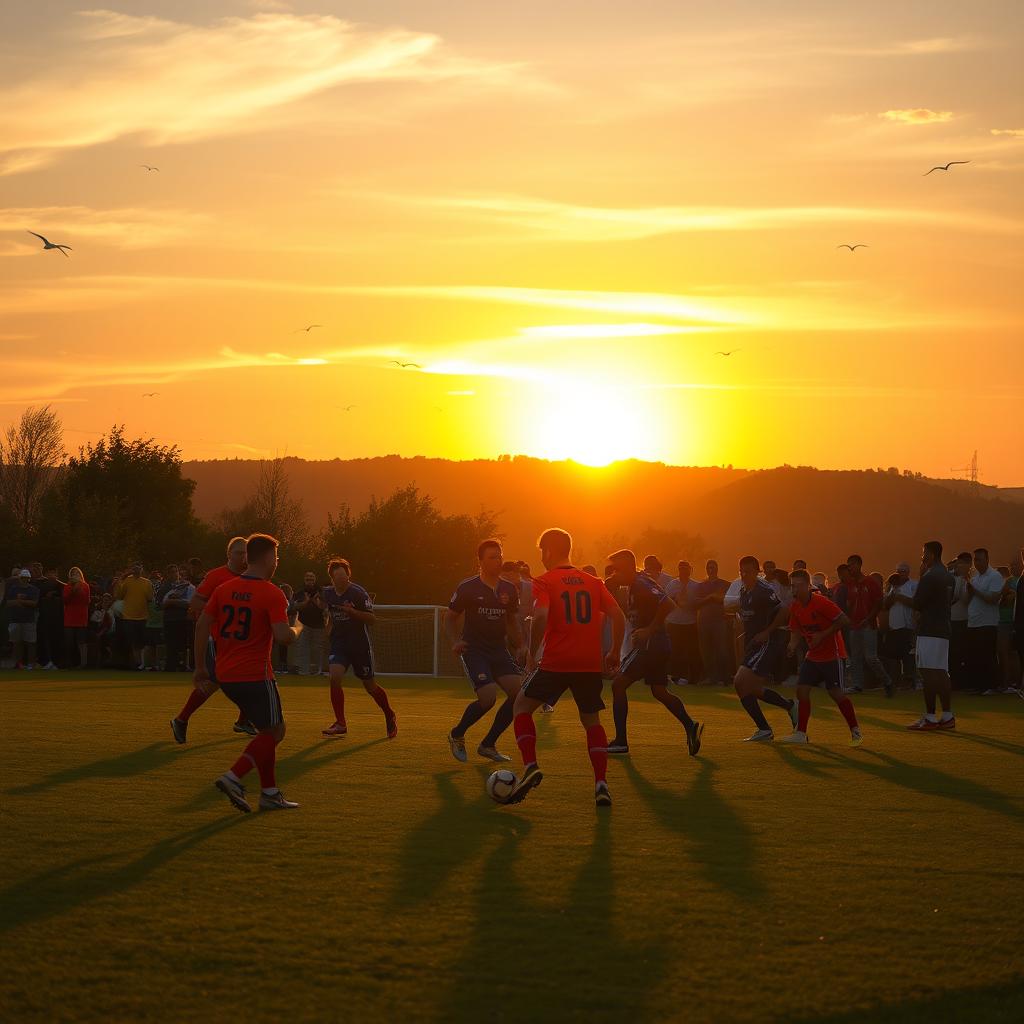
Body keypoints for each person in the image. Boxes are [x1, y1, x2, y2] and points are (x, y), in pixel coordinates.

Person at [501, 527, 626, 807]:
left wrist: (532, 654)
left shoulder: (545, 581)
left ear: (548, 551)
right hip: (589, 663)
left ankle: (531, 764)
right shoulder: (593, 581)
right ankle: (601, 784)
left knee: (521, 707)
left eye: (541, 552)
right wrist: (615, 651)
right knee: (591, 722)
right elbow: (617, 614)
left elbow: (542, 614)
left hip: (556, 662)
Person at [195, 533, 299, 813]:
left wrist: (201, 667)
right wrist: (295, 630)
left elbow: (202, 624)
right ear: (267, 558)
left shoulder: (225, 588)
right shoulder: (271, 592)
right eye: (276, 557)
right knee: (276, 731)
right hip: (255, 675)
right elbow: (282, 636)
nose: (277, 563)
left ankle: (269, 794)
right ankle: (233, 777)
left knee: (266, 731)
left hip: (226, 676)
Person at [605, 549, 704, 756]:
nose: (614, 574)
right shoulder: (634, 583)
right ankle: (690, 725)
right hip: (657, 645)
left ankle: (621, 741)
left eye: (617, 570)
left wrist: (649, 629)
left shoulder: (642, 583)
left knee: (618, 685)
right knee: (659, 691)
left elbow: (668, 603)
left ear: (629, 568)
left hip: (652, 645)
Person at [445, 540, 524, 761]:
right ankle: (457, 734)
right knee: (487, 698)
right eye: (492, 557)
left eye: (499, 556)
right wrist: (454, 641)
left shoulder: (508, 589)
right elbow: (450, 618)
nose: (498, 560)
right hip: (475, 650)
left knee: (518, 696)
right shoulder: (467, 587)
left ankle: (488, 745)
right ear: (480, 561)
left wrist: (521, 645)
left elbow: (512, 620)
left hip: (499, 650)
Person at [169, 537, 251, 743]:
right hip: (219, 640)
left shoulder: (252, 576)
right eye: (239, 552)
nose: (243, 557)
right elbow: (196, 601)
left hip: (242, 641)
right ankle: (182, 719)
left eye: (246, 553)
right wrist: (215, 613)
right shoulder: (216, 576)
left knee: (248, 678)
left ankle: (242, 720)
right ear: (229, 554)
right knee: (217, 681)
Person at [780, 570, 862, 746]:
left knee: (836, 694)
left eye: (797, 585)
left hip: (833, 654)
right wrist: (792, 645)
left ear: (807, 586)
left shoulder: (821, 602)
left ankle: (855, 730)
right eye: (792, 585)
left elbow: (843, 620)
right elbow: (795, 630)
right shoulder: (795, 606)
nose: (794, 589)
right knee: (801, 690)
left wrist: (822, 635)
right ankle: (801, 733)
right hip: (813, 656)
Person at [320, 557, 397, 740]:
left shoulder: (358, 593)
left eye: (344, 575)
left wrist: (352, 612)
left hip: (359, 645)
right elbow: (329, 614)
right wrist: (328, 627)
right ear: (331, 578)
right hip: (340, 643)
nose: (341, 579)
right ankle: (340, 723)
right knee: (335, 676)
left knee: (370, 686)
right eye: (337, 576)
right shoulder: (328, 594)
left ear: (348, 575)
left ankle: (389, 714)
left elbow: (372, 619)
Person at [731, 555, 799, 742]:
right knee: (750, 688)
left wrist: (767, 631)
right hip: (754, 643)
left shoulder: (764, 590)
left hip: (769, 642)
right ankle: (785, 709)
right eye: (741, 571)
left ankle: (766, 727)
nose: (744, 575)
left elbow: (784, 610)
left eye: (748, 572)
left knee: (741, 682)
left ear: (757, 571)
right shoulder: (744, 591)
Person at [908, 541, 955, 730]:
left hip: (929, 629)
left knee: (928, 673)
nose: (922, 557)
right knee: (941, 672)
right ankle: (947, 715)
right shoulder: (948, 576)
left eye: (924, 553)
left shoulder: (930, 576)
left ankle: (930, 717)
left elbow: (917, 603)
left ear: (931, 555)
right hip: (943, 629)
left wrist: (897, 597)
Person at [844, 554, 892, 696]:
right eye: (848, 565)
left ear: (859, 565)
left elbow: (878, 603)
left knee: (870, 657)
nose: (850, 568)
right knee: (856, 657)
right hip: (855, 625)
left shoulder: (870, 582)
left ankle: (887, 681)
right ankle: (857, 685)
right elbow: (850, 603)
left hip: (869, 625)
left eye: (851, 565)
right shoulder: (850, 584)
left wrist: (869, 618)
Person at [966, 547, 1003, 695]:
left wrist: (975, 591)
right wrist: (969, 590)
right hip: (974, 622)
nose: (977, 563)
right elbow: (967, 600)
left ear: (987, 560)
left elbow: (993, 599)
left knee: (987, 655)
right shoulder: (975, 578)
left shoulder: (994, 576)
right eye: (975, 560)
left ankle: (991, 686)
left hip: (988, 622)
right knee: (975, 656)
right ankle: (978, 685)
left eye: (980, 559)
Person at [882, 562, 921, 690]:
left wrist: (900, 597)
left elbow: (916, 603)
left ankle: (910, 681)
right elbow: (885, 606)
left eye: (903, 571)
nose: (900, 574)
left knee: (907, 656)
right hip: (893, 626)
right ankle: (895, 681)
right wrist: (892, 595)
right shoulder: (892, 586)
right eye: (898, 571)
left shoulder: (913, 585)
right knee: (893, 656)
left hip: (907, 625)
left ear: (908, 572)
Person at [665, 560, 703, 685]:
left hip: (689, 622)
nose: (683, 571)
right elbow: (666, 600)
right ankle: (676, 676)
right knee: (676, 650)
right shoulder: (672, 584)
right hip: (674, 621)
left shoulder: (696, 586)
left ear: (690, 570)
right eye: (681, 569)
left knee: (692, 651)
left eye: (685, 569)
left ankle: (694, 677)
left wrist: (690, 604)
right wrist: (677, 599)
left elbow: (699, 602)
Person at [696, 560, 731, 684]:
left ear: (717, 569)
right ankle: (710, 677)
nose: (711, 569)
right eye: (709, 567)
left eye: (713, 567)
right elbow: (696, 603)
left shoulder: (725, 584)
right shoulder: (700, 586)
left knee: (721, 650)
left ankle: (724, 677)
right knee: (706, 650)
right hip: (704, 621)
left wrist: (715, 598)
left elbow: (727, 600)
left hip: (719, 620)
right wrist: (711, 597)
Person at [114, 563, 154, 671]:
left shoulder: (147, 583)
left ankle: (141, 663)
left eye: (138, 567)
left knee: (141, 642)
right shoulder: (127, 581)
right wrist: (119, 583)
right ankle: (134, 664)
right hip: (128, 616)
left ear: (142, 569)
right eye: (134, 568)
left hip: (143, 617)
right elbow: (120, 596)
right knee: (131, 642)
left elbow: (150, 598)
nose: (136, 569)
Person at [159, 565, 195, 672]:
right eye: (171, 572)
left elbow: (191, 603)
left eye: (176, 572)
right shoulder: (165, 587)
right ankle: (170, 665)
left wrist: (174, 602)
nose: (174, 574)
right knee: (170, 644)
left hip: (183, 619)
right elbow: (161, 604)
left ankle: (183, 665)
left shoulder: (189, 587)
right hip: (169, 619)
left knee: (183, 644)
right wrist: (173, 602)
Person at [293, 570, 327, 676]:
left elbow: (325, 607)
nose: (310, 581)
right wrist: (306, 601)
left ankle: (317, 671)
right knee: (303, 648)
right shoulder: (300, 592)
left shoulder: (321, 592)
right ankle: (304, 671)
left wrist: (317, 602)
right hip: (303, 624)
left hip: (319, 625)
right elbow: (295, 607)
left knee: (317, 649)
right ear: (305, 580)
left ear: (315, 579)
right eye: (308, 579)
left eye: (312, 578)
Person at [7, 569, 39, 669]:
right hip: (15, 620)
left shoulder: (34, 589)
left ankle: (30, 664)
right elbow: (8, 603)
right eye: (23, 578)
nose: (24, 580)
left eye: (26, 578)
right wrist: (22, 601)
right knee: (16, 643)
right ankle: (17, 664)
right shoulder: (13, 589)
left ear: (29, 579)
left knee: (31, 643)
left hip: (29, 620)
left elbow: (34, 603)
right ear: (20, 578)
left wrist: (19, 601)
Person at [36, 568, 65, 669]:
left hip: (58, 619)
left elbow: (66, 589)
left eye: (54, 573)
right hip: (45, 619)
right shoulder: (41, 585)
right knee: (46, 641)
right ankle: (47, 661)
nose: (52, 575)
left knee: (56, 641)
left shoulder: (60, 586)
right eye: (51, 573)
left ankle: (56, 662)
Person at [62, 567, 91, 668]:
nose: (75, 575)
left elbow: (87, 601)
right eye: (73, 573)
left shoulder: (85, 586)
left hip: (81, 617)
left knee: (81, 642)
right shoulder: (67, 586)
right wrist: (73, 589)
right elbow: (65, 600)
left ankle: (84, 663)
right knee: (68, 642)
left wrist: (79, 588)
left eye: (77, 573)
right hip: (69, 618)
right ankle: (69, 662)